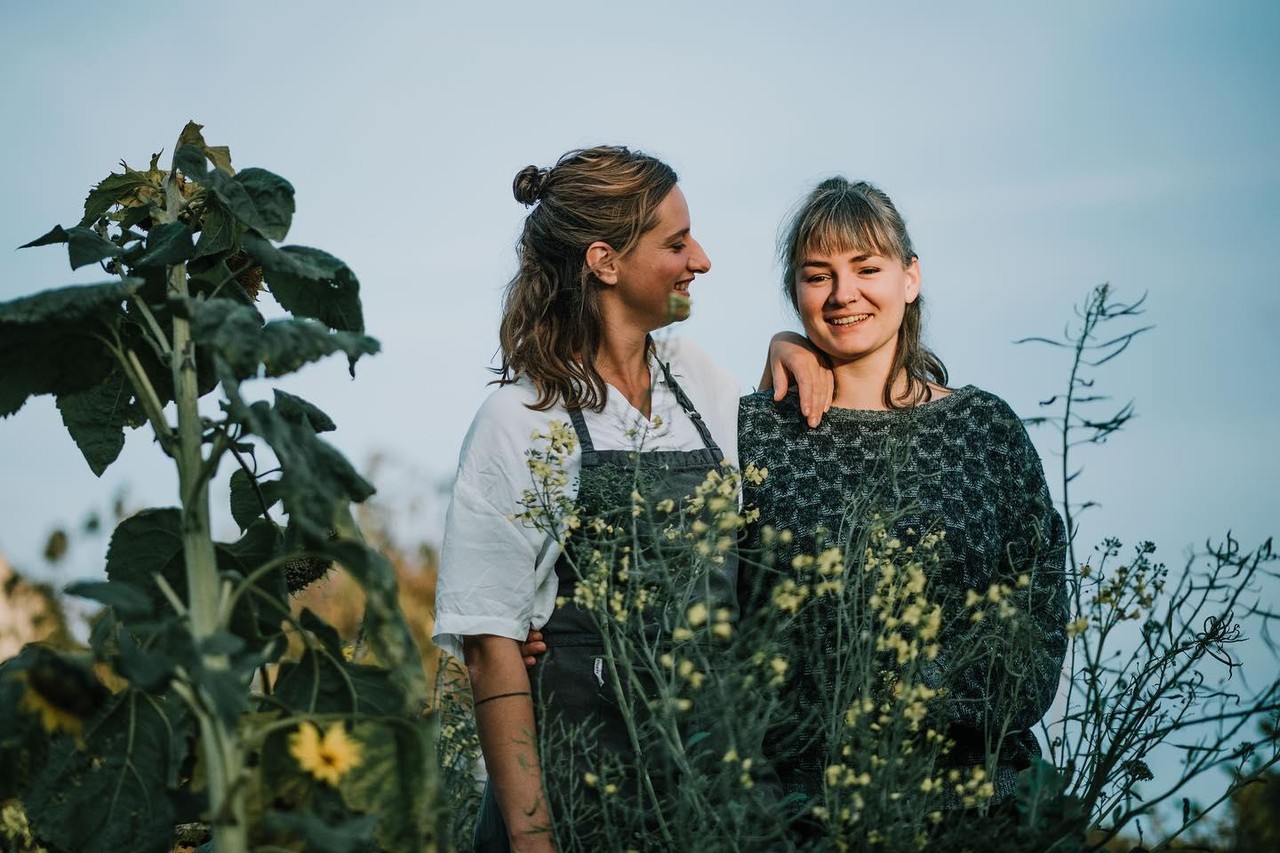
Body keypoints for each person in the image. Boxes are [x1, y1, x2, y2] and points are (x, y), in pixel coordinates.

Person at [433, 146, 826, 852]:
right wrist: (532, 841)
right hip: (581, 792)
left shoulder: (699, 380)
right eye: (676, 242)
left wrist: (789, 343)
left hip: (708, 791)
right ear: (605, 261)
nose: (700, 259)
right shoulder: (520, 420)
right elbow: (490, 646)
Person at [738, 178, 1069, 842]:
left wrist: (925, 699)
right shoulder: (752, 432)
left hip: (981, 802)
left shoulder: (985, 428)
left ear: (910, 277)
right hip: (807, 814)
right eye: (817, 275)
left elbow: (1039, 605)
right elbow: (726, 617)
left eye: (867, 268)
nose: (843, 294)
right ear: (794, 293)